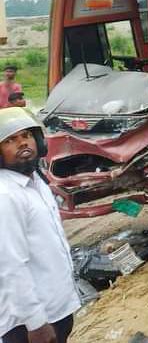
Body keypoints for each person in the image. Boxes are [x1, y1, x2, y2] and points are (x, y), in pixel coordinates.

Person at [0, 107, 80, 343]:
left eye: (26, 136)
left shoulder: (36, 182)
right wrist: (36, 323)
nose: (22, 143)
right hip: (30, 324)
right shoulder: (6, 195)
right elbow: (10, 266)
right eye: (10, 140)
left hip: (54, 310)